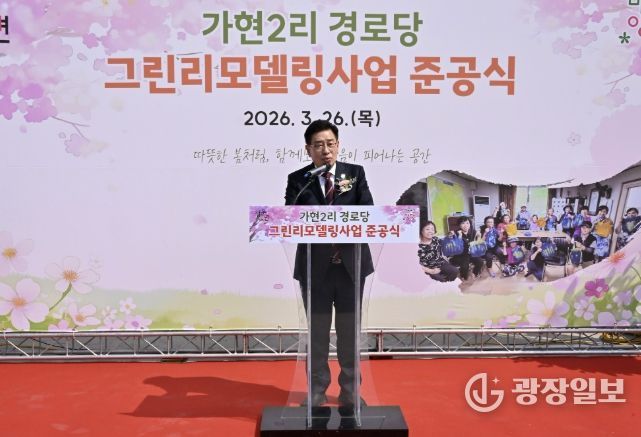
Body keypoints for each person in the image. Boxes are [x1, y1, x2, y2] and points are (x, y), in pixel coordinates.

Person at [284, 119, 373, 408]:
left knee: (350, 334)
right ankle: (317, 391)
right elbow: (289, 218)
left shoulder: (355, 174)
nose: (326, 150)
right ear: (308, 149)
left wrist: (339, 219)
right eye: (319, 145)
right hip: (315, 269)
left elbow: (368, 212)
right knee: (317, 334)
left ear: (338, 145)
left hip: (350, 267)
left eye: (330, 144)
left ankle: (350, 392)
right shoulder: (299, 179)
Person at [448, 216, 484, 280]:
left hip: (471, 253)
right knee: (465, 266)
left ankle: (474, 273)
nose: (466, 225)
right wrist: (459, 236)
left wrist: (479, 237)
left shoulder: (473, 231)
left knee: (480, 262)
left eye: (467, 223)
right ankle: (463, 277)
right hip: (460, 255)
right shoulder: (454, 233)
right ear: (459, 225)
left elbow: (478, 243)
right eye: (463, 223)